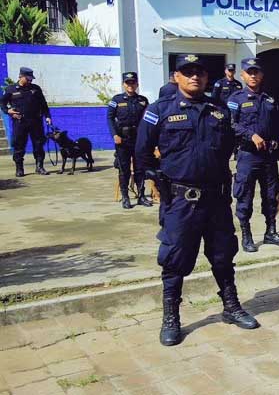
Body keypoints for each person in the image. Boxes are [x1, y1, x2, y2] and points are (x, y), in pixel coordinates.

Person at [136, 54, 259, 346]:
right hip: (180, 201)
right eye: (187, 72)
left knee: (222, 255)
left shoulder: (219, 110)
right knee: (175, 258)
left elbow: (229, 146)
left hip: (216, 200)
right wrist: (159, 182)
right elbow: (141, 153)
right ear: (176, 76)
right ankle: (171, 318)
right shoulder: (159, 110)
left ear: (206, 77)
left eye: (199, 73)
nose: (194, 77)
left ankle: (230, 306)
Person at [227, 57, 279, 252]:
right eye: (249, 72)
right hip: (248, 156)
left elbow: (278, 126)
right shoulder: (235, 99)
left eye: (256, 72)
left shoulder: (269, 99)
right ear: (243, 75)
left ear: (261, 75)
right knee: (245, 196)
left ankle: (270, 232)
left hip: (269, 156)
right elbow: (230, 124)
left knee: (271, 196)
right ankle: (247, 236)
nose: (253, 75)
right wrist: (251, 135)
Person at [107, 71, 151, 208]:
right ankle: (125, 197)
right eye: (128, 83)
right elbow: (109, 118)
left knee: (140, 169)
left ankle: (141, 196)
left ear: (137, 84)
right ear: (123, 84)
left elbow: (147, 120)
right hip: (122, 140)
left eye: (133, 83)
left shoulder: (143, 101)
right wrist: (115, 135)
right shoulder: (116, 100)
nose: (130, 85)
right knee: (124, 169)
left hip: (138, 139)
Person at [1, 67, 52, 177]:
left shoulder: (36, 89)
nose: (30, 81)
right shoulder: (11, 89)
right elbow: (2, 103)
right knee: (19, 145)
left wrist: (47, 116)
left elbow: (44, 104)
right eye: (28, 79)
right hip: (20, 122)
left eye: (31, 79)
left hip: (36, 122)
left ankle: (39, 167)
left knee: (38, 145)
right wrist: (8, 111)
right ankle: (19, 169)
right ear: (21, 76)